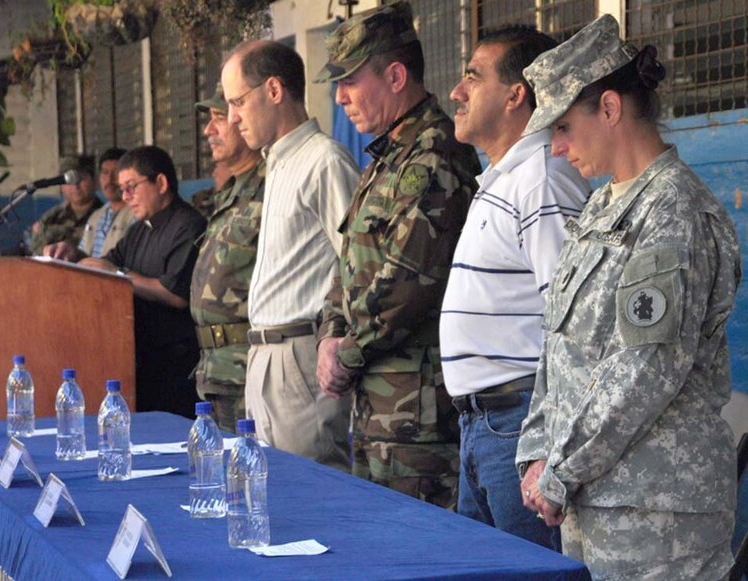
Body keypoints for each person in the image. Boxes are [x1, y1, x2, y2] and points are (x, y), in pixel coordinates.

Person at [516, 15, 741, 579]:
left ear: (610, 109)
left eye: (564, 127)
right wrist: (538, 449)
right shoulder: (599, 209)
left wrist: (561, 468)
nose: (558, 148)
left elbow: (643, 368)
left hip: (657, 512)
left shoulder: (673, 211)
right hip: (594, 498)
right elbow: (559, 343)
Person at [314, 1, 480, 508]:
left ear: (394, 75)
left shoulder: (434, 154)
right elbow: (350, 265)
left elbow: (407, 282)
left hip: (419, 417)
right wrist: (329, 332)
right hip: (378, 408)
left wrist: (345, 351)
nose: (340, 97)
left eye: (349, 81)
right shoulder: (387, 156)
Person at [440, 26, 589, 541]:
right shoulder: (504, 179)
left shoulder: (543, 180)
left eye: (472, 77)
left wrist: (547, 442)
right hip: (483, 425)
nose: (456, 92)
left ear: (515, 94)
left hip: (518, 426)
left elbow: (572, 322)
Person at [221, 39, 359, 469]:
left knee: (309, 499)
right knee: (269, 500)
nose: (232, 119)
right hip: (264, 353)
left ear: (275, 90)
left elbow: (358, 264)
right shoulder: (278, 163)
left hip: (300, 355)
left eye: (238, 102)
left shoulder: (323, 161)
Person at [80, 146, 206, 417]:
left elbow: (175, 294)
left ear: (160, 183)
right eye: (122, 189)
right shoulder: (138, 230)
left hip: (176, 363)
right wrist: (75, 257)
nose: (125, 197)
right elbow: (104, 265)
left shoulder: (188, 225)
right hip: (139, 359)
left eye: (131, 187)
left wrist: (118, 275)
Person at [190, 84, 265, 433]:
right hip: (216, 370)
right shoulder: (233, 191)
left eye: (219, 117)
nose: (209, 130)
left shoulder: (271, 184)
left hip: (246, 369)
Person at [43, 148, 134, 261]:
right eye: (105, 172)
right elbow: (86, 258)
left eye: (116, 172)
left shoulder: (137, 215)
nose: (109, 179)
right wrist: (73, 253)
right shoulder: (96, 217)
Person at [29, 155, 102, 255]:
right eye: (69, 180)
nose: (75, 186)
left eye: (81, 178)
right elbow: (36, 248)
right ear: (61, 185)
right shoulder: (52, 216)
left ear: (94, 180)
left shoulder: (104, 216)